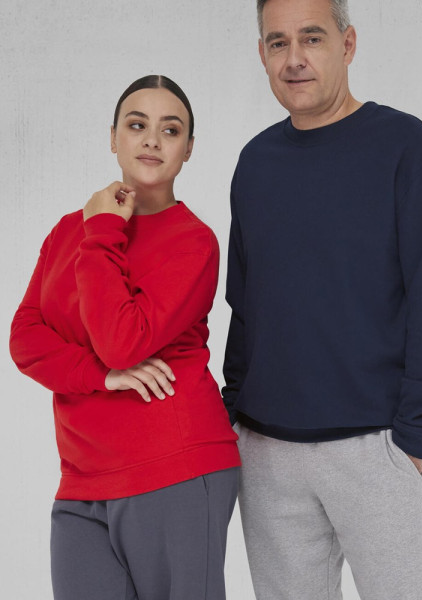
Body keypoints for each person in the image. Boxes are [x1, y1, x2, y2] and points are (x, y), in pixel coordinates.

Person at [222, 1, 422, 599]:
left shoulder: (402, 144)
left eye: (312, 38)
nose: (294, 59)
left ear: (348, 44)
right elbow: (244, 305)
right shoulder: (255, 163)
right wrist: (235, 413)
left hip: (374, 446)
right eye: (278, 43)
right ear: (261, 54)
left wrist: (411, 437)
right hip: (267, 453)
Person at [10, 74, 240, 600]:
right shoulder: (67, 231)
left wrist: (103, 232)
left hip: (176, 467)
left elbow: (123, 341)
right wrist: (102, 376)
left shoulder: (193, 242)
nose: (152, 140)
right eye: (137, 125)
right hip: (81, 479)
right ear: (113, 137)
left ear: (188, 149)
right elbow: (24, 338)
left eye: (170, 130)